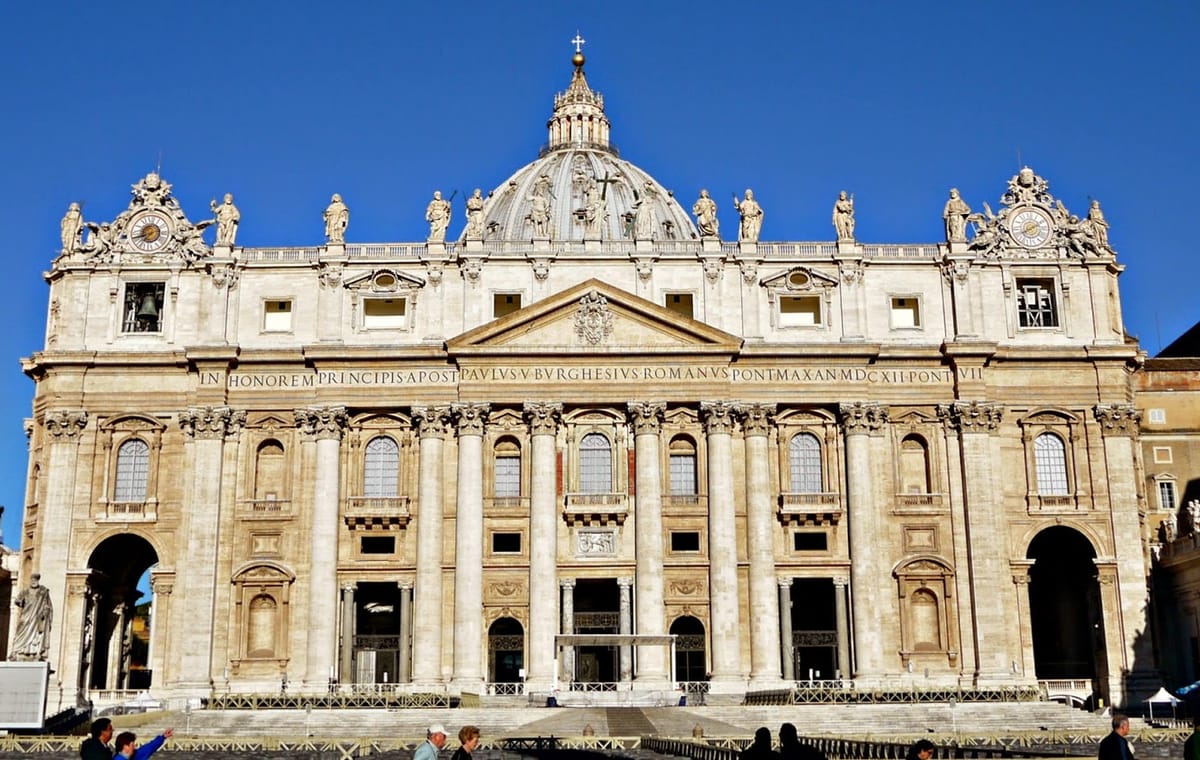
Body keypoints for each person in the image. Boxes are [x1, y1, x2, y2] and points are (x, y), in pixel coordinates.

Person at [12, 573, 53, 661]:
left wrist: (46, 610)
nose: (34, 582)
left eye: (36, 580)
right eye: (33, 580)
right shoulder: (25, 591)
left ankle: (32, 652)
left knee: (35, 634)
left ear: (38, 581)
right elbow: (17, 600)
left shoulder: (43, 592)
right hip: (26, 615)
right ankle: (20, 650)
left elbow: (47, 604)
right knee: (21, 631)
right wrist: (20, 602)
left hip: (36, 617)